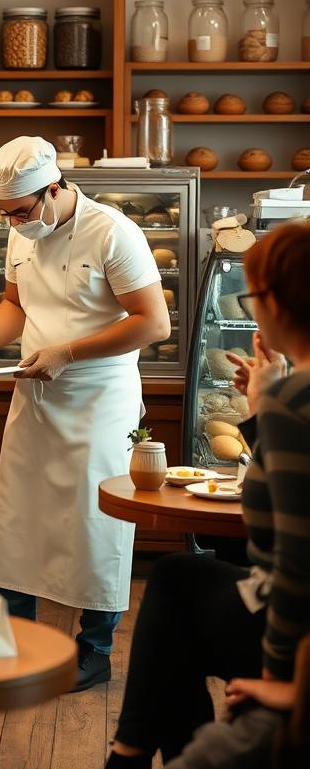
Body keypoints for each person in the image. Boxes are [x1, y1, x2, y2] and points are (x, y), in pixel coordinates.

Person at [0, 136, 171, 691]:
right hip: (35, 390)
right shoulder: (23, 233)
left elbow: (153, 322)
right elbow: (15, 305)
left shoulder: (114, 231)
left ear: (54, 189)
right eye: (6, 215)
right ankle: (10, 643)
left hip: (99, 397)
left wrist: (68, 353)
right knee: (16, 516)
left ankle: (92, 652)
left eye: (20, 212)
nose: (14, 224)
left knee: (95, 526)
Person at [106, 220, 310, 768]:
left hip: (294, 635)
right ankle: (150, 755)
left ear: (278, 302)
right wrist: (267, 407)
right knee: (182, 584)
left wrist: (285, 683)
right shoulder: (290, 394)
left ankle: (133, 756)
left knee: (176, 595)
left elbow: (297, 563)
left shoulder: (295, 399)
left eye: (253, 295)